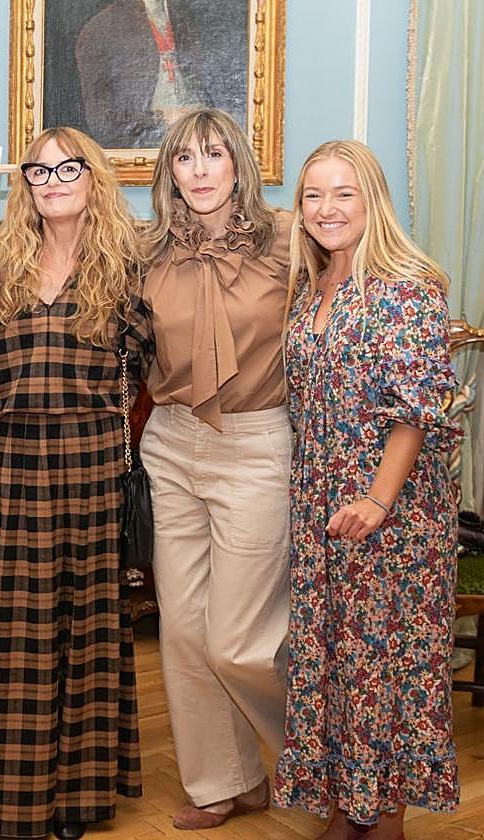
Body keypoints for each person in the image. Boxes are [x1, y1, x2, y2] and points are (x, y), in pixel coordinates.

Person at [0, 126, 147, 840]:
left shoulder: (127, 266)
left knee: (90, 627)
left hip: (93, 466)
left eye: (70, 167)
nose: (54, 178)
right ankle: (16, 798)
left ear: (94, 177)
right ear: (25, 185)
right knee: (18, 634)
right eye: (39, 169)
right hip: (10, 466)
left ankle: (77, 799)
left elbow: (145, 373)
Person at [273, 140, 460, 839]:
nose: (326, 208)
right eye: (313, 195)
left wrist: (378, 501)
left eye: (343, 193)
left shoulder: (406, 287)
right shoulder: (313, 286)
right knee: (334, 659)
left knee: (385, 663)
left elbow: (415, 409)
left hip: (390, 515)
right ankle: (349, 806)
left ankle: (386, 818)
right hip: (322, 508)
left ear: (372, 199)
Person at [139, 107, 291, 830]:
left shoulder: (289, 239)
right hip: (171, 442)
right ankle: (222, 785)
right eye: (185, 158)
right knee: (185, 631)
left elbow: (377, 270)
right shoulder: (147, 253)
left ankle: (321, 757)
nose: (200, 171)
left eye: (214, 155)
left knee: (238, 639)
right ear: (169, 171)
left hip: (257, 444)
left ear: (238, 164)